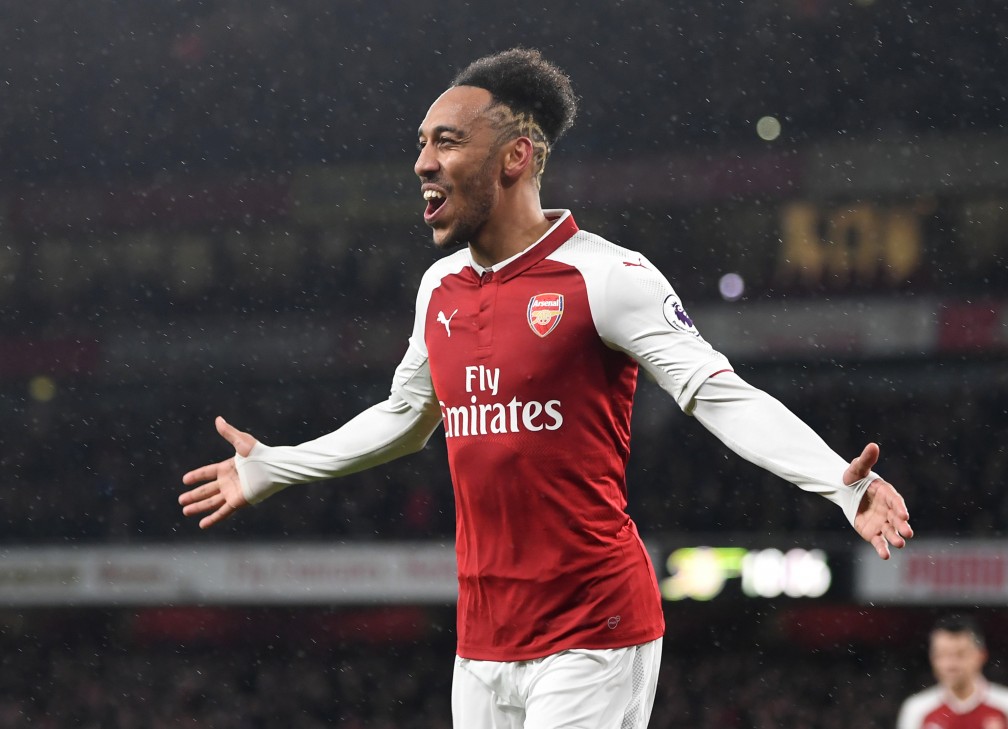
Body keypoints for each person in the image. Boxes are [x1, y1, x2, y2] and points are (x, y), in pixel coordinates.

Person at [179, 48, 914, 729]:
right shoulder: (439, 288)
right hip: (483, 640)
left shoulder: (606, 277)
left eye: (445, 142)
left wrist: (840, 483)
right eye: (421, 142)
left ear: (515, 158)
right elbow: (406, 417)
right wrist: (279, 463)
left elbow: (721, 394)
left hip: (592, 631)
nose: (421, 163)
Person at [897, 615, 1008, 729]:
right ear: (932, 658)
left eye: (960, 654)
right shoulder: (917, 710)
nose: (950, 664)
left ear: (981, 656)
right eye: (942, 655)